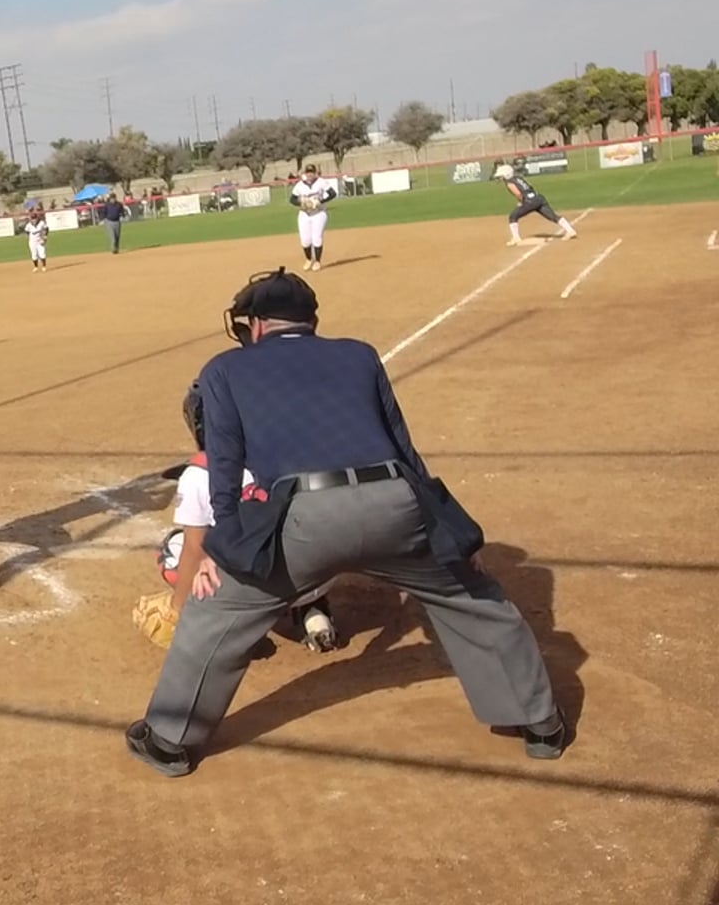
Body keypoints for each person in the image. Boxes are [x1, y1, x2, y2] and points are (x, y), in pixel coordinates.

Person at [125, 267, 569, 777]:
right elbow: (404, 449)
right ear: (310, 321)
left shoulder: (225, 369)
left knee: (217, 610)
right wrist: (455, 535)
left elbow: (223, 465)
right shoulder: (360, 354)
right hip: (396, 504)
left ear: (257, 324)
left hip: (305, 518)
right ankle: (540, 723)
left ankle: (169, 742)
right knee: (473, 598)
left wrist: (226, 547)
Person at [135, 379, 338, 652]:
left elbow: (195, 549)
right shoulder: (295, 451)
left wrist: (176, 611)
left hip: (262, 590)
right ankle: (314, 613)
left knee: (176, 548)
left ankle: (228, 630)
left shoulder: (199, 474)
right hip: (321, 574)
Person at [496, 166, 580, 246]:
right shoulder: (519, 178)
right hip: (538, 198)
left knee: (513, 216)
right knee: (553, 216)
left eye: (501, 176)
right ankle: (570, 231)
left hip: (529, 201)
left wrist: (521, 202)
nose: (500, 178)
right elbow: (530, 187)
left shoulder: (509, 183)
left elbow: (518, 194)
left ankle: (516, 238)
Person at [288, 164, 338, 271]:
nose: (310, 174)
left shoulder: (321, 182)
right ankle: (308, 259)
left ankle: (317, 262)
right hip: (304, 214)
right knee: (305, 240)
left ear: (315, 173)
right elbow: (292, 199)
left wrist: (320, 201)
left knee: (317, 238)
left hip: (319, 213)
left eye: (312, 172)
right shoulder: (300, 185)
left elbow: (333, 194)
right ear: (305, 174)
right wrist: (301, 203)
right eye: (308, 172)